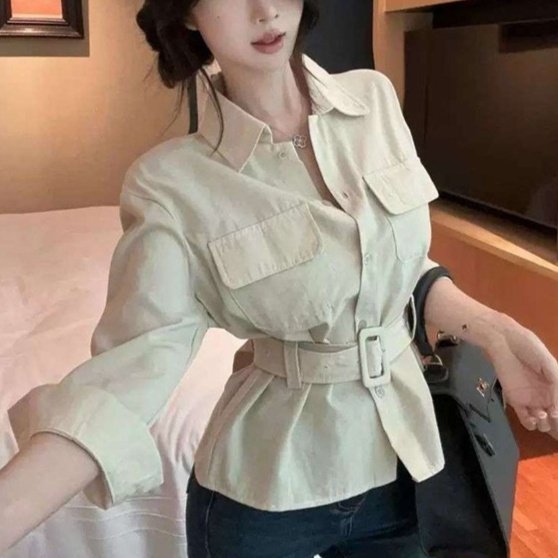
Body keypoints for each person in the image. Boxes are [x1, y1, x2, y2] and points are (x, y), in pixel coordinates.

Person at [1, 0, 558, 556]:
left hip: (402, 468)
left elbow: (396, 268)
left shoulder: (375, 99)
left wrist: (497, 332)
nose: (265, 10)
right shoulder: (171, 186)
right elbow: (127, 375)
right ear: (188, 14)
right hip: (265, 499)